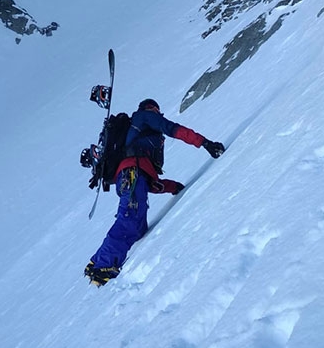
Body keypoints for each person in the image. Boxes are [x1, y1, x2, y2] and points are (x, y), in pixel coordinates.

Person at [84, 98, 225, 286]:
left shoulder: (141, 136)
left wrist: (174, 187)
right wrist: (205, 143)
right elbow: (174, 129)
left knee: (138, 228)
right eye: (156, 109)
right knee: (129, 219)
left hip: (131, 177)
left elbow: (151, 183)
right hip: (132, 174)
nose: (158, 112)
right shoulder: (145, 117)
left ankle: (98, 261)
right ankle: (103, 266)